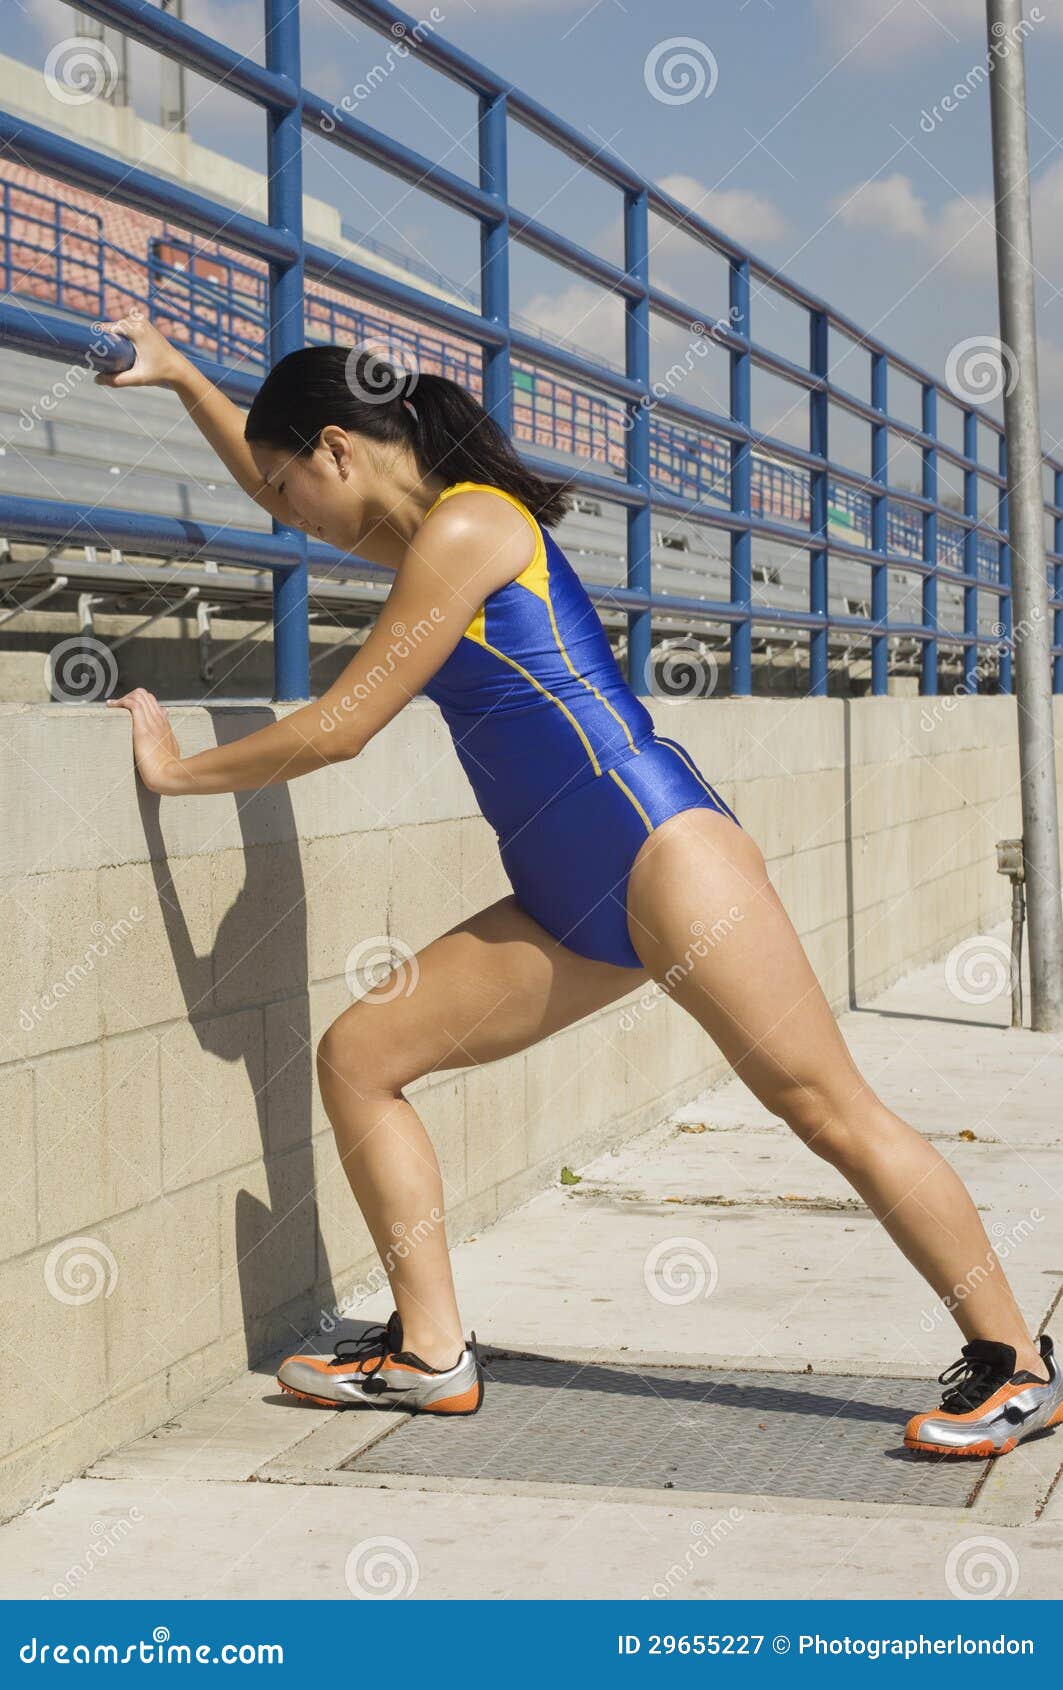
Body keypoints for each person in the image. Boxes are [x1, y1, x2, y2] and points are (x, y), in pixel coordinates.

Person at [100, 314, 1061, 1454]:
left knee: (826, 1110)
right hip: (566, 900)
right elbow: (278, 484)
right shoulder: (425, 539)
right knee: (362, 1056)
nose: (283, 512)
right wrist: (178, 374)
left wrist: (177, 772)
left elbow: (343, 726)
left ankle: (1014, 1361)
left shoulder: (467, 527)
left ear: (338, 450)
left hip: (662, 853)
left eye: (287, 483)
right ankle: (430, 1352)